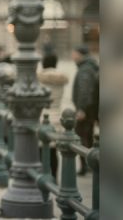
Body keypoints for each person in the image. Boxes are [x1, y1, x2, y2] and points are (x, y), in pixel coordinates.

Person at [37, 53, 69, 181]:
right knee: (53, 151)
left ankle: (43, 177)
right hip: (57, 116)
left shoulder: (39, 79)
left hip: (43, 116)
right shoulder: (60, 80)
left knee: (41, 150)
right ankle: (54, 177)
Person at [72, 44, 99, 175]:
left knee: (82, 136)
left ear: (80, 54)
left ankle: (86, 165)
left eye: (74, 53)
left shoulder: (85, 70)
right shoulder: (88, 67)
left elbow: (85, 90)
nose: (72, 56)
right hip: (91, 109)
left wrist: (81, 109)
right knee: (87, 136)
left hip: (86, 110)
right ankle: (88, 164)